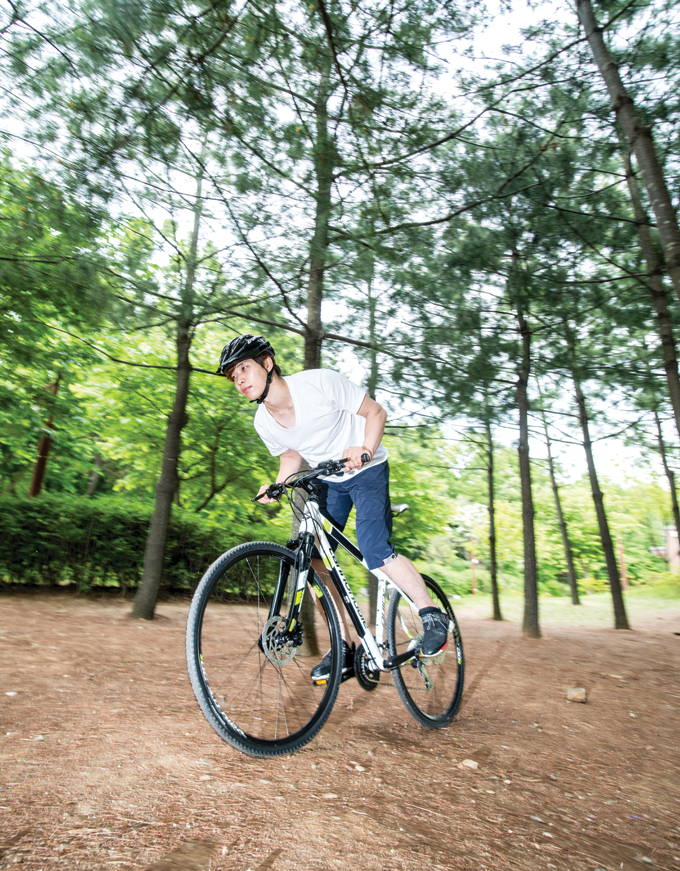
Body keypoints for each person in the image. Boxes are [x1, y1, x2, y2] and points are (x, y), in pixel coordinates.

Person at [217, 334, 451, 683]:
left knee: (374, 550)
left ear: (267, 363)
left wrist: (365, 449)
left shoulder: (319, 383)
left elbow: (375, 412)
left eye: (244, 369)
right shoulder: (263, 421)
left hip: (366, 470)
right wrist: (277, 485)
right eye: (233, 377)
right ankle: (345, 646)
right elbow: (291, 455)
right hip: (328, 479)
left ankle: (432, 615)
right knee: (311, 561)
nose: (239, 381)